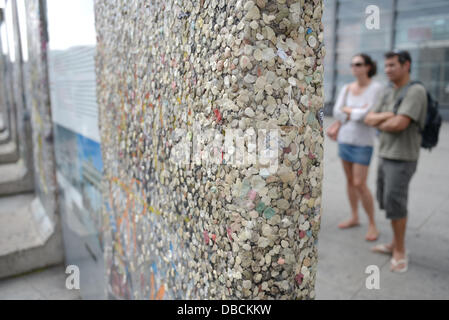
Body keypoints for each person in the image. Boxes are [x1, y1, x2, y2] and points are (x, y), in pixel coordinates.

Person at [364, 50, 428, 273]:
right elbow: (368, 117)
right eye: (387, 66)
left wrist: (383, 119)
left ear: (406, 65)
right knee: (387, 200)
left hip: (402, 157)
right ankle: (394, 242)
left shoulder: (416, 91)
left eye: (392, 65)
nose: (388, 69)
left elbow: (399, 124)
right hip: (386, 154)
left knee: (396, 202)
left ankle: (400, 250)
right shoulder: (388, 91)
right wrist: (389, 115)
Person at [332, 53, 383, 241]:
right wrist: (355, 112)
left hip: (364, 142)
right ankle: (354, 215)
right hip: (345, 139)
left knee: (360, 183)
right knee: (349, 181)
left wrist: (349, 111)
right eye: (352, 64)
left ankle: (372, 223)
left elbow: (369, 115)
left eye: (359, 64)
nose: (355, 67)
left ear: (368, 67)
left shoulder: (376, 88)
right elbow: (337, 112)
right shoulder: (346, 88)